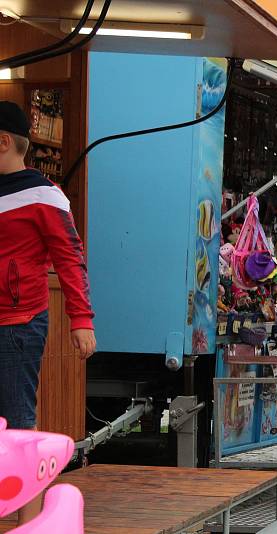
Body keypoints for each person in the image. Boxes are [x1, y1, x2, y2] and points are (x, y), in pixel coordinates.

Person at [0, 101, 96, 526]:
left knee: (18, 420)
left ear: (3, 142)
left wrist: (81, 320)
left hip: (20, 322)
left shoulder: (44, 195)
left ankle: (30, 521)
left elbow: (70, 258)